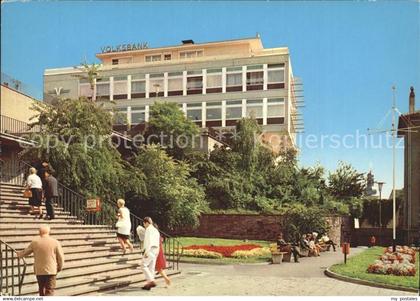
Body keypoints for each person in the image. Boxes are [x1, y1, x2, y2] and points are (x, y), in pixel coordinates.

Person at [17, 225, 64, 296]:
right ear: (49, 232)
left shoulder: (35, 242)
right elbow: (60, 257)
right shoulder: (55, 242)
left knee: (41, 290)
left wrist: (19, 254)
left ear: (39, 232)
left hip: (39, 271)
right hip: (51, 271)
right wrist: (59, 267)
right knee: (49, 291)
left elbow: (26, 252)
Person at [141, 217, 160, 290]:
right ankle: (149, 284)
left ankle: (151, 281)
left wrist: (146, 251)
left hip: (150, 249)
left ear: (146, 223)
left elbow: (149, 241)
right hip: (156, 250)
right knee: (151, 267)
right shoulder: (155, 230)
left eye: (144, 224)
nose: (144, 226)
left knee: (143, 265)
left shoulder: (148, 229)